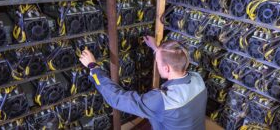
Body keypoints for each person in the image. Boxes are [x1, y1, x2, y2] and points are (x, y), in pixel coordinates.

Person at [79, 36, 207, 130]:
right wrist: (157, 49)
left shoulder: (161, 100)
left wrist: (93, 67)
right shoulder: (198, 79)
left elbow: (117, 98)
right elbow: (171, 61)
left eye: (158, 61)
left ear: (166, 68)